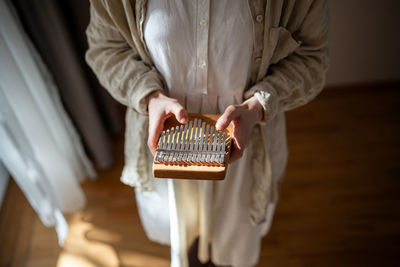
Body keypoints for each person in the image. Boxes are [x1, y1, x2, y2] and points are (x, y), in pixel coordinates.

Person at [85, 1, 329, 266]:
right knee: (181, 228)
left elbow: (311, 58)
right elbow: (106, 49)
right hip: (165, 143)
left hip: (245, 141)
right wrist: (150, 96)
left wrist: (258, 106)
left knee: (234, 234)